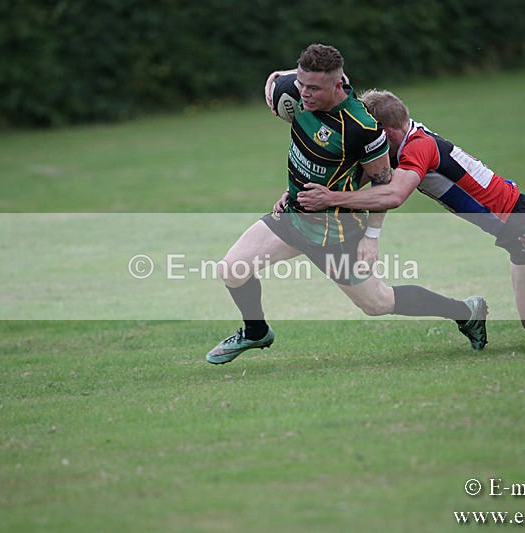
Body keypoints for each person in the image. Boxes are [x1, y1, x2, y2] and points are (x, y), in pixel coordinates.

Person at [296, 88, 525, 334]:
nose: (364, 139)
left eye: (369, 132)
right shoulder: (403, 146)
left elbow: (393, 195)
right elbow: (361, 176)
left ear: (387, 131)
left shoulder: (418, 148)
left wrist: (330, 199)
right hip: (514, 230)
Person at [206, 44, 488, 365]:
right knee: (232, 268)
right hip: (293, 216)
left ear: (337, 85)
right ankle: (256, 332)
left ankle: (465, 312)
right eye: (301, 84)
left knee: (377, 303)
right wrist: (291, 186)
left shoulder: (361, 128)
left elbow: (382, 183)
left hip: (335, 232)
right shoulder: (297, 93)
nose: (304, 94)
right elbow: (277, 83)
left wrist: (372, 237)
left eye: (314, 88)